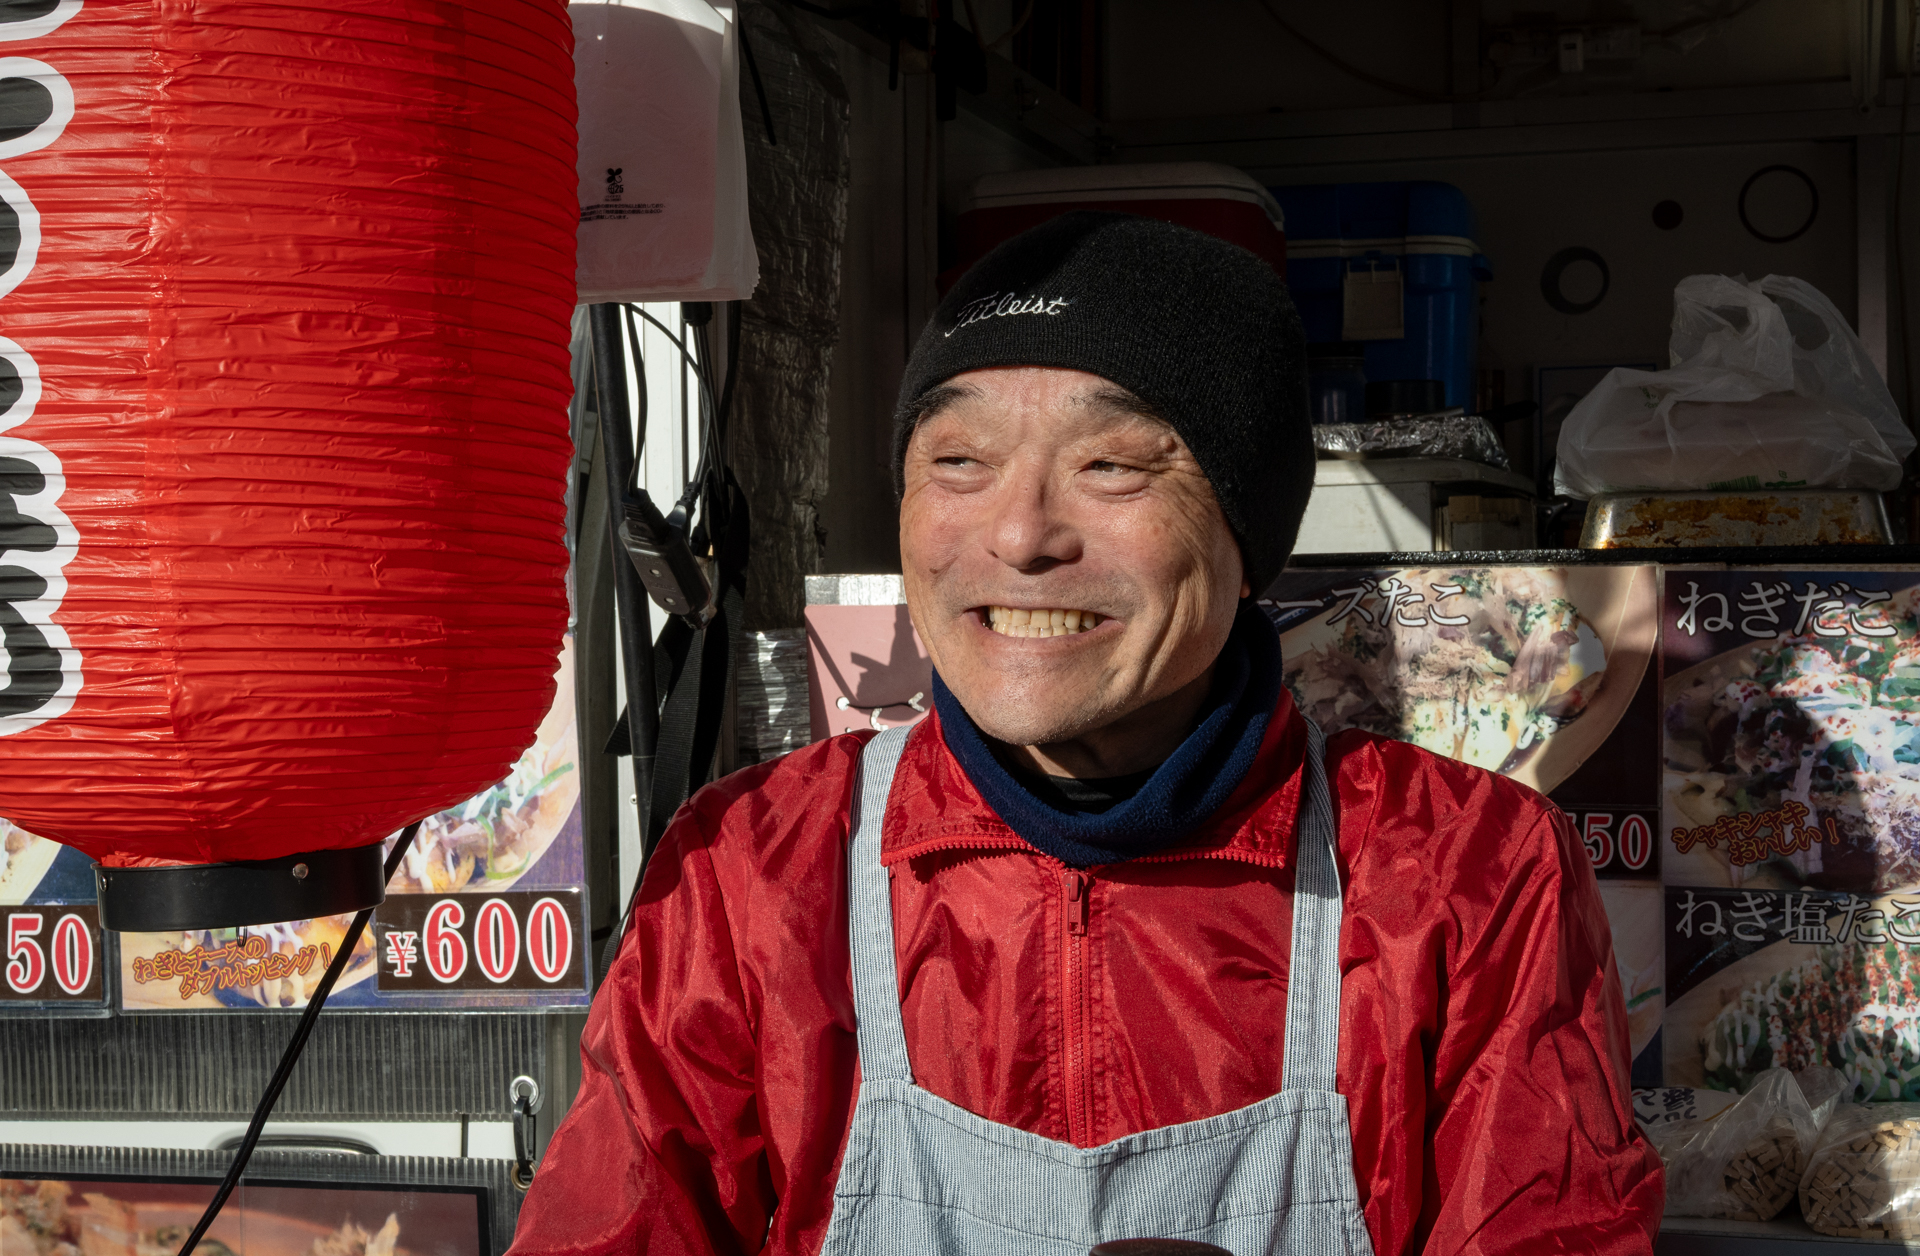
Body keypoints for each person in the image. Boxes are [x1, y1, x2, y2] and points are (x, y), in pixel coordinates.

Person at [510, 213, 1664, 1255]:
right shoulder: (752, 870)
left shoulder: (1465, 873)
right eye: (956, 460)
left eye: (1112, 465)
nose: (1017, 533)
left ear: (1247, 527)